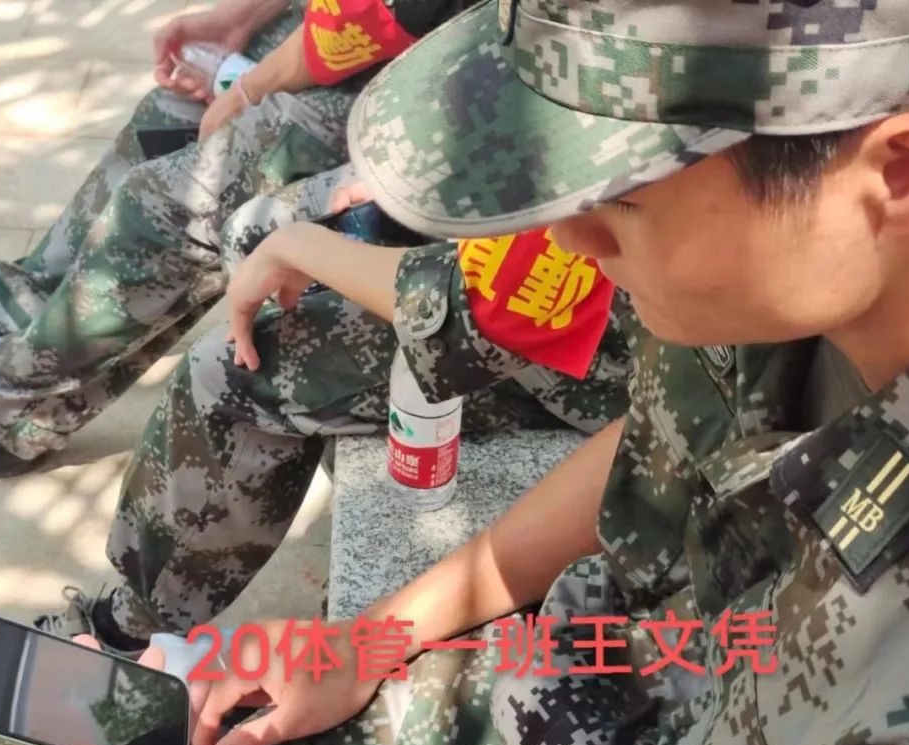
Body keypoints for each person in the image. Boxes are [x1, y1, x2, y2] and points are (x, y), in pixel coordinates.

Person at [10, 0, 909, 745]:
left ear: (905, 174)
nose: (570, 241)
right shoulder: (784, 288)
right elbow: (659, 442)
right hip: (591, 691)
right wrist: (370, 638)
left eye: (622, 201)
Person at [34, 175, 632, 650]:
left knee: (232, 372)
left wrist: (306, 248)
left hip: (600, 341)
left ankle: (129, 633)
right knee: (257, 232)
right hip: (534, 225)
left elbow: (480, 308)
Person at [0, 0, 475, 479]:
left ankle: (4, 414)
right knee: (173, 111)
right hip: (418, 36)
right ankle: (26, 310)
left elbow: (380, 14)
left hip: (460, 90)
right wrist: (238, 19)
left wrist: (249, 88)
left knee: (177, 198)